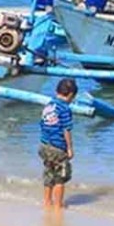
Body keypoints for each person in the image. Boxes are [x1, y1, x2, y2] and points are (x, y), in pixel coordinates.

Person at [38, 78, 77, 210]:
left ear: (57, 91)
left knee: (49, 174)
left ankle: (47, 201)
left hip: (44, 145)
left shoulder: (49, 105)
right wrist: (70, 148)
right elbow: (66, 130)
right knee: (60, 177)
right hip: (58, 147)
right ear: (71, 95)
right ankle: (58, 204)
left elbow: (43, 124)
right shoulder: (65, 109)